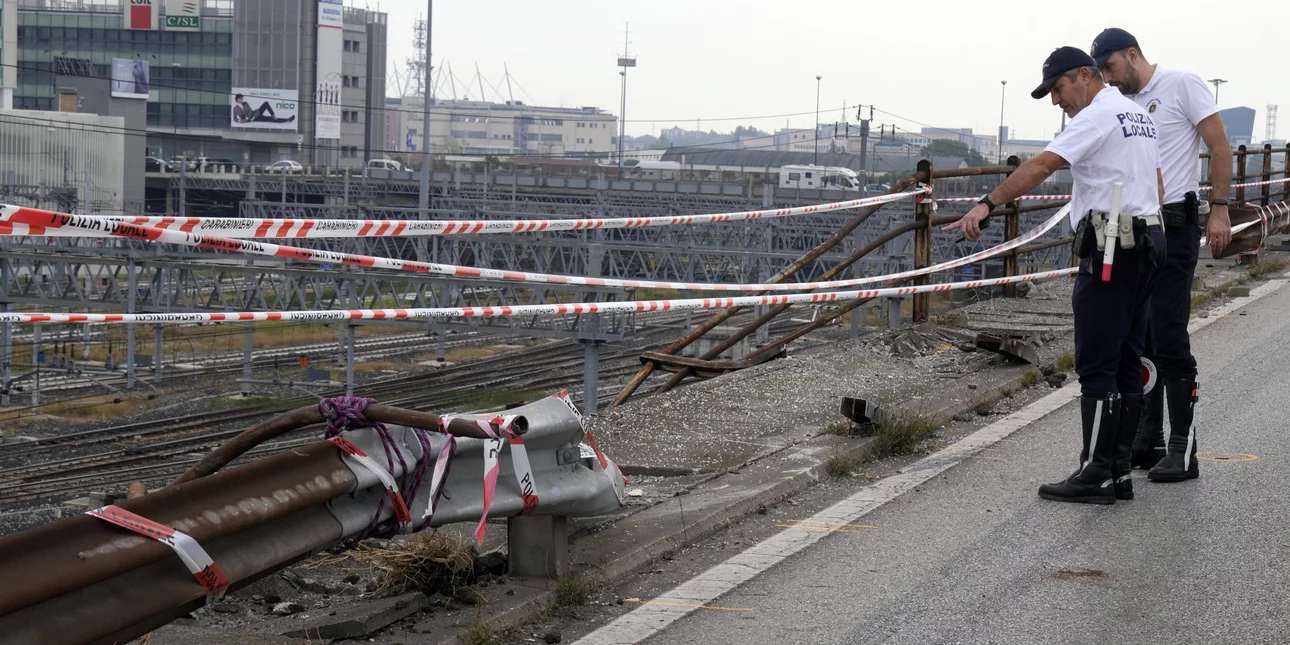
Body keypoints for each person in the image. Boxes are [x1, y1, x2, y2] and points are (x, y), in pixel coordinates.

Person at [943, 47, 1166, 504]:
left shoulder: (1097, 115)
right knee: (1126, 359)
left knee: (1097, 362)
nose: (1056, 102)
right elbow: (1156, 179)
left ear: (1085, 76)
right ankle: (1118, 471)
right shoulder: (1135, 113)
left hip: (1112, 246)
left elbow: (1044, 165)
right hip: (1147, 241)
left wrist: (987, 204)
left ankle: (1095, 473)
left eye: (1059, 89)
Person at [1092, 28, 1232, 484]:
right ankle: (1148, 438)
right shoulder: (1120, 102)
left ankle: (1183, 448)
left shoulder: (1181, 84)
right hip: (1141, 226)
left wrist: (1221, 210)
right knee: (1142, 336)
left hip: (1177, 221)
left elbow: (1219, 147)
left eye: (1111, 68)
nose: (1109, 79)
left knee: (1169, 333)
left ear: (1132, 55)